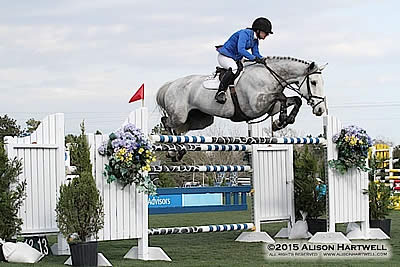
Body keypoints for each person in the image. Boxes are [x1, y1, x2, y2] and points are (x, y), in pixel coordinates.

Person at [215, 17, 273, 104]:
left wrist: (264, 59)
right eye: (266, 33)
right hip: (225, 56)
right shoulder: (244, 33)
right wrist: (254, 58)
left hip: (235, 58)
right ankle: (220, 92)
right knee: (234, 69)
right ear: (258, 30)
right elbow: (241, 50)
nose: (266, 36)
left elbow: (256, 53)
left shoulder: (255, 40)